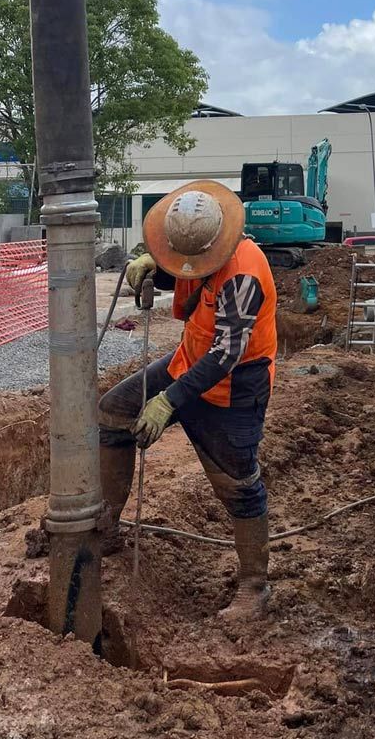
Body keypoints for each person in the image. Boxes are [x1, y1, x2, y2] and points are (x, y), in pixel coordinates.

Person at [97, 180, 277, 620]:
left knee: (237, 486)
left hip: (233, 388)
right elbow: (186, 272)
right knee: (113, 413)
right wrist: (154, 268)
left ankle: (255, 586)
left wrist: (167, 402)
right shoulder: (197, 251)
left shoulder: (244, 276)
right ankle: (108, 526)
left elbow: (225, 354)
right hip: (186, 362)